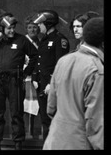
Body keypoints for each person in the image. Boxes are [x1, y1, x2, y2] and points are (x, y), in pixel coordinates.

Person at [43, 17, 104, 150]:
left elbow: (51, 107)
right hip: (80, 143)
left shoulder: (64, 61)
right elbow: (96, 122)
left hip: (54, 140)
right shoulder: (97, 70)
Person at [0, 12, 38, 150]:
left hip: (14, 79)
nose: (12, 30)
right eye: (8, 28)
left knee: (16, 113)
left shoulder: (22, 39)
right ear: (1, 29)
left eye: (13, 27)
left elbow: (35, 56)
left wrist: (26, 73)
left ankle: (18, 143)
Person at [31, 10, 69, 142]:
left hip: (53, 86)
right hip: (41, 85)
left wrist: (51, 83)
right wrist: (35, 78)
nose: (39, 26)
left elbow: (61, 64)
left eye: (41, 24)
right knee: (45, 120)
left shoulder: (60, 39)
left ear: (48, 24)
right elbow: (39, 60)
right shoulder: (43, 40)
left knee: (55, 120)